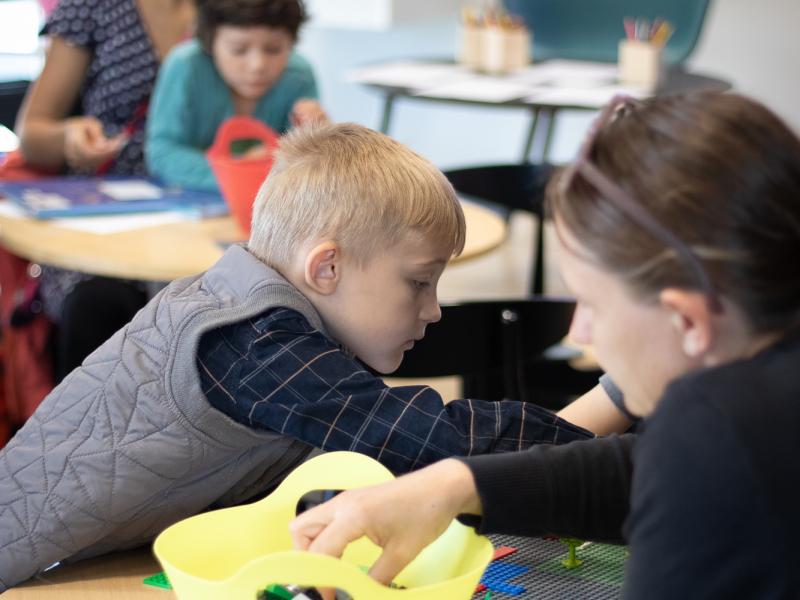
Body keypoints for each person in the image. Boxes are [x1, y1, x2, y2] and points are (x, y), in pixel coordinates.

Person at [0, 122, 628, 591]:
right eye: (418, 282)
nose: (434, 310)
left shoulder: (266, 312)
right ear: (326, 267)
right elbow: (428, 438)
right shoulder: (254, 343)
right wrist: (616, 425)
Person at [290, 92, 800, 598]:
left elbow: (687, 465)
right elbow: (655, 469)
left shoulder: (720, 432)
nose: (581, 334)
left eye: (592, 304)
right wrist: (456, 483)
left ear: (688, 320)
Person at [11, 0, 196, 382]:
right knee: (99, 307)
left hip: (204, 209)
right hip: (104, 214)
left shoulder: (240, 9)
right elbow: (32, 133)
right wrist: (68, 138)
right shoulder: (94, 7)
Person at [145, 0, 327, 191]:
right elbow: (162, 153)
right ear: (209, 43)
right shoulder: (186, 66)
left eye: (274, 49)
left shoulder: (299, 76)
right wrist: (241, 171)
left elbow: (305, 165)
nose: (257, 65)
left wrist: (318, 137)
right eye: (238, 50)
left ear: (292, 43)